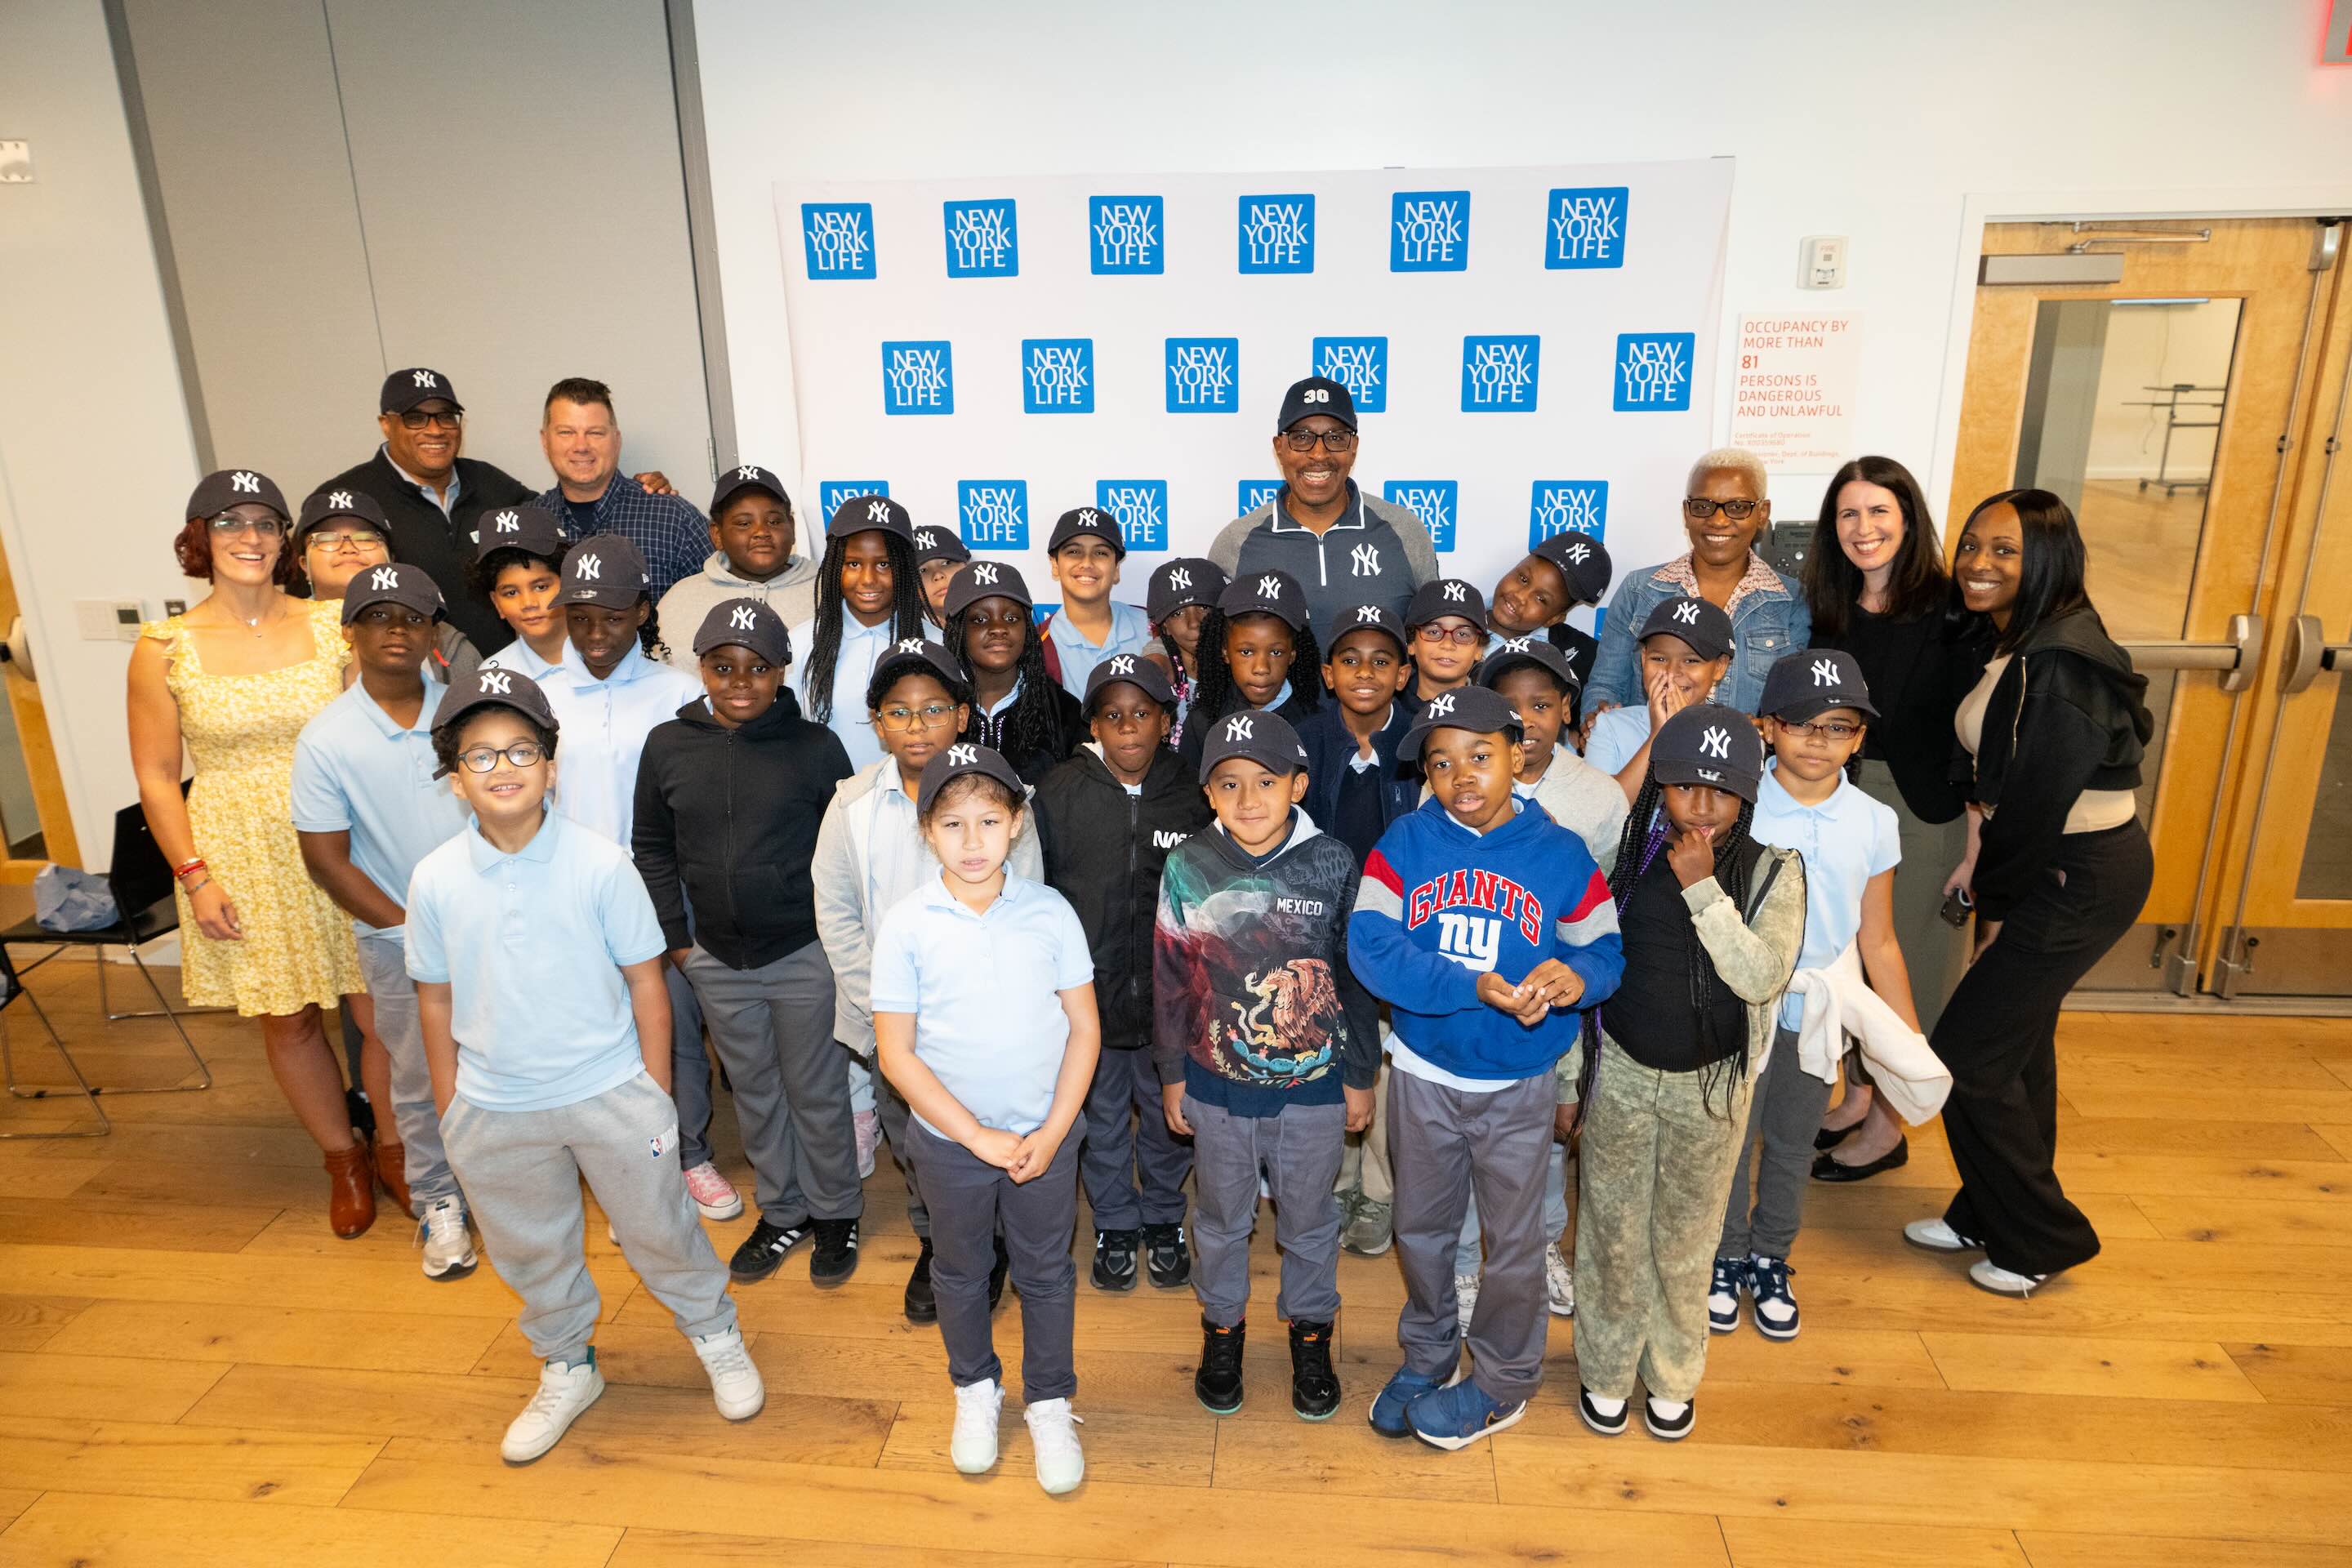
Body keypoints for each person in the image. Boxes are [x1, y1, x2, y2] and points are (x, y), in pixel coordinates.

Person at [408, 667, 763, 1464]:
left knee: (660, 1229)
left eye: (522, 750)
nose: (503, 768)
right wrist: (451, 1110)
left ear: (552, 768)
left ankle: (714, 1332)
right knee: (531, 1246)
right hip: (495, 1107)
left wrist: (656, 1102)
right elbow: (433, 1000)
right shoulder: (434, 880)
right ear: (455, 780)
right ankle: (568, 1362)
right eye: (481, 756)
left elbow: (648, 982)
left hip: (610, 1094)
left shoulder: (601, 865)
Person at [1351, 686, 1624, 1451]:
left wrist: (1578, 980)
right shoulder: (1404, 843)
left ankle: (1504, 1379)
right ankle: (1430, 1354)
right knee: (1422, 1228)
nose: (1462, 775)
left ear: (1517, 754)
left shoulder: (1561, 853)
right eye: (1441, 764)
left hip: (1517, 1083)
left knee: (1512, 1242)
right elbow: (1372, 947)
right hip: (1424, 1073)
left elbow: (1604, 951)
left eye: (1480, 756)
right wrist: (1466, 986)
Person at [1905, 489, 2152, 1298]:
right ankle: (1987, 1211)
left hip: (2072, 874)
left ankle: (2044, 1235)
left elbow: (2041, 798)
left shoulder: (2059, 659)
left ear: (2045, 560)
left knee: (1969, 1058)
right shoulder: (2024, 641)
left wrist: (1999, 901)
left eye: (2003, 551)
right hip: (2051, 864)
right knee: (2017, 1047)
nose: (1978, 563)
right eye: (1973, 545)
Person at [128, 470, 373, 1235]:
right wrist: (195, 879)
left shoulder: (337, 625)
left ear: (285, 539)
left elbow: (375, 739)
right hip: (239, 847)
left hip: (346, 835)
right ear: (199, 538)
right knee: (289, 1018)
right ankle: (345, 1159)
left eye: (266, 522)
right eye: (229, 521)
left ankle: (401, 1150)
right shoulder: (164, 647)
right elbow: (157, 777)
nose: (250, 536)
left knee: (382, 1009)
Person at [871, 743, 1098, 1496]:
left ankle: (1049, 1400)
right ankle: (974, 1388)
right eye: (953, 824)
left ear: (1017, 825)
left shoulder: (1050, 912)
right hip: (950, 1145)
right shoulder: (907, 925)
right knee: (961, 1271)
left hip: (1044, 1138)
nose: (973, 843)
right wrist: (974, 1136)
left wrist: (1055, 1131)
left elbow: (1084, 1030)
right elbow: (897, 1055)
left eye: (990, 821)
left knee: (1045, 1272)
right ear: (926, 830)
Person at [1574, 704, 1804, 1443]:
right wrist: (1568, 1077)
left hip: (1713, 1090)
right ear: (1659, 788)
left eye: (1722, 790)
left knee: (1684, 1241)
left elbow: (1761, 976)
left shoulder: (1776, 872)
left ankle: (1673, 1376)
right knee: (1610, 1234)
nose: (1701, 806)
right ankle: (1606, 1370)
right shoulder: (1623, 860)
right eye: (1683, 787)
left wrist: (1705, 890)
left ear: (1750, 793)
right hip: (1623, 1074)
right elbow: (1590, 964)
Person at [1154, 708, 1377, 1421]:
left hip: (1312, 1090)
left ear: (1299, 785)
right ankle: (1223, 1329)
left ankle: (1311, 1334)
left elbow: (1355, 975)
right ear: (1209, 793)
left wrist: (1360, 1075)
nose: (1248, 799)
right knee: (1220, 1216)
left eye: (1266, 781)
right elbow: (1169, 974)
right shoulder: (1188, 865)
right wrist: (1171, 1073)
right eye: (1229, 784)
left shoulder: (1335, 862)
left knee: (1309, 1219)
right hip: (1216, 1082)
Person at [634, 599, 860, 1289]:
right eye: (722, 666)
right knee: (757, 1091)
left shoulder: (816, 747)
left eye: (758, 668)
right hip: (716, 961)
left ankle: (835, 1211)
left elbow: (845, 851)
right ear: (699, 668)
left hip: (802, 955)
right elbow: (652, 847)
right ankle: (784, 1208)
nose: (739, 681)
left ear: (782, 671)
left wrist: (832, 943)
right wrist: (679, 943)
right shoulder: (668, 745)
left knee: (817, 1091)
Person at [813, 638, 1036, 1323]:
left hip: (985, 1023)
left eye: (935, 708)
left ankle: (998, 1243)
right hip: (893, 1026)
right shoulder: (851, 805)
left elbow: (1027, 911)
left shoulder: (1007, 804)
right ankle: (938, 1243)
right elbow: (838, 913)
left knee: (990, 1129)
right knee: (918, 1142)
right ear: (877, 723)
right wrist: (890, 1019)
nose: (918, 725)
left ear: (963, 716)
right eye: (899, 712)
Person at [1710, 649, 1913, 1341]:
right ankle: (1726, 1254)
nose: (1817, 742)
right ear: (1766, 727)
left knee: (1793, 1141)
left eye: (1837, 727)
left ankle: (1771, 1256)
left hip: (1820, 1011)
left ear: (1859, 737)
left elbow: (1879, 939)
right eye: (1800, 724)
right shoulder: (1735, 803)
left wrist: (1903, 1038)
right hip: (1740, 1005)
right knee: (1730, 1139)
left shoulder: (1875, 822)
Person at [537, 535, 731, 1220]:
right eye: (581, 617)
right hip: (575, 898)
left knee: (673, 1030)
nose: (596, 633)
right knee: (597, 1034)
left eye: (613, 616)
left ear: (643, 611)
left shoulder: (681, 692)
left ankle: (688, 1154)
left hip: (664, 893)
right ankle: (622, 1176)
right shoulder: (541, 695)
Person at [291, 564, 474, 1274]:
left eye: (413, 618)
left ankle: (506, 1187)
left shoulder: (464, 712)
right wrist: (414, 929)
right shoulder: (326, 738)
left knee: (510, 1060)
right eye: (378, 616)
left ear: (435, 635)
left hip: (494, 926)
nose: (396, 629)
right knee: (420, 1076)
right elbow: (327, 861)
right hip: (397, 941)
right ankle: (439, 1204)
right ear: (350, 632)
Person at [1802, 457, 1980, 1174]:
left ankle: (1888, 1126)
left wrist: (1977, 842)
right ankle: (1856, 1096)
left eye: (1879, 512)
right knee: (1842, 954)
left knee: (1905, 963)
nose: (1864, 529)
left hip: (1921, 808)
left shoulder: (1952, 609)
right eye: (1849, 515)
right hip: (1837, 799)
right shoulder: (1831, 607)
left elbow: (1976, 735)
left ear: (1908, 519)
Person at [1448, 635, 1629, 1321]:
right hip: (1471, 997)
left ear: (1568, 710)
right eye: (1511, 706)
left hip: (1553, 1005)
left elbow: (1608, 899)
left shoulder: (1597, 793)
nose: (1526, 720)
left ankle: (1542, 1247)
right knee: (1465, 1141)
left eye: (1542, 704)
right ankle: (1466, 1265)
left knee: (1549, 1137)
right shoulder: (1462, 779)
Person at [1034, 656, 1211, 1295]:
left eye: (1142, 714)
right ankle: (1113, 1219)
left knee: (1170, 1116)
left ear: (1166, 721)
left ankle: (1164, 1215)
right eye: (1113, 716)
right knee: (1102, 1118)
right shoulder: (1059, 793)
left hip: (1173, 1001)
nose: (1128, 728)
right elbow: (1038, 893)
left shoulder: (1194, 792)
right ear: (1093, 725)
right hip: (1090, 1000)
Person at [1298, 602, 1416, 1261]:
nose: (1364, 672)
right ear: (1327, 672)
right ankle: (1335, 1181)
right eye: (1349, 660)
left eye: (1380, 660)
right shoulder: (1306, 738)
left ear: (1404, 673)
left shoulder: (1425, 739)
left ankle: (1380, 1187)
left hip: (1398, 929)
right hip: (1320, 928)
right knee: (1328, 1050)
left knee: (1384, 1061)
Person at [318, 369, 534, 656]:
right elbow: (314, 604)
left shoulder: (491, 484)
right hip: (411, 684)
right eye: (415, 418)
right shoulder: (347, 501)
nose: (435, 430)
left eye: (446, 416)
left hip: (510, 674)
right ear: (385, 424)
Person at [1586, 448, 1808, 718]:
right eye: (1703, 506)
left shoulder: (1791, 601)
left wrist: (1764, 729)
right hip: (1647, 754)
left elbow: (1794, 709)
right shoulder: (1640, 590)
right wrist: (1596, 722)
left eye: (1737, 508)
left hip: (1743, 759)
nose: (1718, 521)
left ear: (1762, 513)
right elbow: (1605, 686)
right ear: (1686, 512)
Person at [1207, 376, 1439, 630]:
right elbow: (1196, 638)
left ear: (1354, 448)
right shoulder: (1237, 542)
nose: (1319, 454)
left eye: (1336, 438)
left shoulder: (1404, 531)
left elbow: (1438, 630)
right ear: (1279, 448)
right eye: (1302, 437)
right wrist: (1158, 657)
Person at [537, 378, 711, 604]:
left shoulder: (673, 517)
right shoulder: (532, 527)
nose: (581, 446)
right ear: (545, 441)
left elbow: (725, 598)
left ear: (616, 440)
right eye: (566, 432)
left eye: (595, 433)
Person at [789, 494, 929, 772]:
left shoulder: (935, 644)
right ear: (833, 567)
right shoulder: (801, 642)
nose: (868, 579)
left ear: (904, 568)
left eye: (884, 564)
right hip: (826, 807)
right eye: (853, 564)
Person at [296, 488, 479, 687]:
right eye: (327, 539)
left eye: (365, 538)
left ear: (391, 559)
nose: (348, 548)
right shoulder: (278, 631)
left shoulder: (436, 635)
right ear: (304, 564)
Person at [655, 464, 821, 670]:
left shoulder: (826, 591)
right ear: (717, 535)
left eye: (774, 521)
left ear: (792, 527)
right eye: (744, 524)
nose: (762, 532)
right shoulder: (679, 600)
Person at [942, 561, 1083, 782]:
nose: (998, 628)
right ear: (957, 631)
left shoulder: (1064, 710)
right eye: (980, 619)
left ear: (1026, 628)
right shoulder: (935, 710)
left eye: (1011, 618)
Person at [1585, 597, 1739, 800]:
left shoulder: (1734, 734)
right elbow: (1600, 811)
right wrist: (1659, 735)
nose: (1671, 672)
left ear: (1720, 667)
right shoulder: (1609, 726)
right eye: (1659, 659)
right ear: (1643, 658)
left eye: (1691, 661)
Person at [1174, 571, 1325, 774]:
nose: (1261, 668)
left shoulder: (1317, 723)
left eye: (1276, 652)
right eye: (1246, 652)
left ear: (1293, 654)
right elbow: (1190, 797)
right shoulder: (1203, 721)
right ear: (1225, 652)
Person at [1488, 531, 1613, 734]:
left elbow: (1579, 730)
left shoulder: (1580, 658)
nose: (1520, 596)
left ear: (1554, 618)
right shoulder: (1453, 624)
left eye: (1541, 599)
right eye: (1523, 578)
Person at [1038, 507, 1153, 697]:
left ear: (1116, 568)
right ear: (1055, 565)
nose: (1087, 563)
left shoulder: (1152, 627)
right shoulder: (1037, 645)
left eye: (1100, 553)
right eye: (1074, 551)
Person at [472, 505, 572, 681]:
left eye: (541, 587)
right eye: (511, 593)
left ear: (569, 585)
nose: (528, 603)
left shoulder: (608, 656)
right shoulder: (493, 677)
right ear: (496, 603)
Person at [1143, 556, 1226, 746]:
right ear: (1164, 627)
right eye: (1178, 613)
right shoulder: (1160, 678)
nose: (1194, 623)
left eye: (1204, 607)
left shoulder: (1243, 674)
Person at [1402, 579, 1490, 706]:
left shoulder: (1489, 713)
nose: (1447, 645)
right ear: (1411, 643)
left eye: (1462, 634)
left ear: (1479, 649)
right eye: (1434, 632)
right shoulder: (1386, 710)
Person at [912, 524, 971, 631]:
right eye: (922, 570)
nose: (938, 576)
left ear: (966, 565)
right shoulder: (903, 637)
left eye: (946, 563)